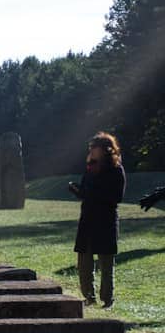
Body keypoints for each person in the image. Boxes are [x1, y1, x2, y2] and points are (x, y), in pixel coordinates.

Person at [68, 132, 126, 308]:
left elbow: (117, 197)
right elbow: (86, 192)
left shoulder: (116, 169)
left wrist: (93, 193)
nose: (91, 151)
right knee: (84, 261)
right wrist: (76, 190)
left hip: (106, 220)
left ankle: (108, 300)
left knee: (106, 263)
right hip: (88, 219)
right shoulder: (90, 168)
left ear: (105, 150)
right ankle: (89, 296)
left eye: (94, 147)